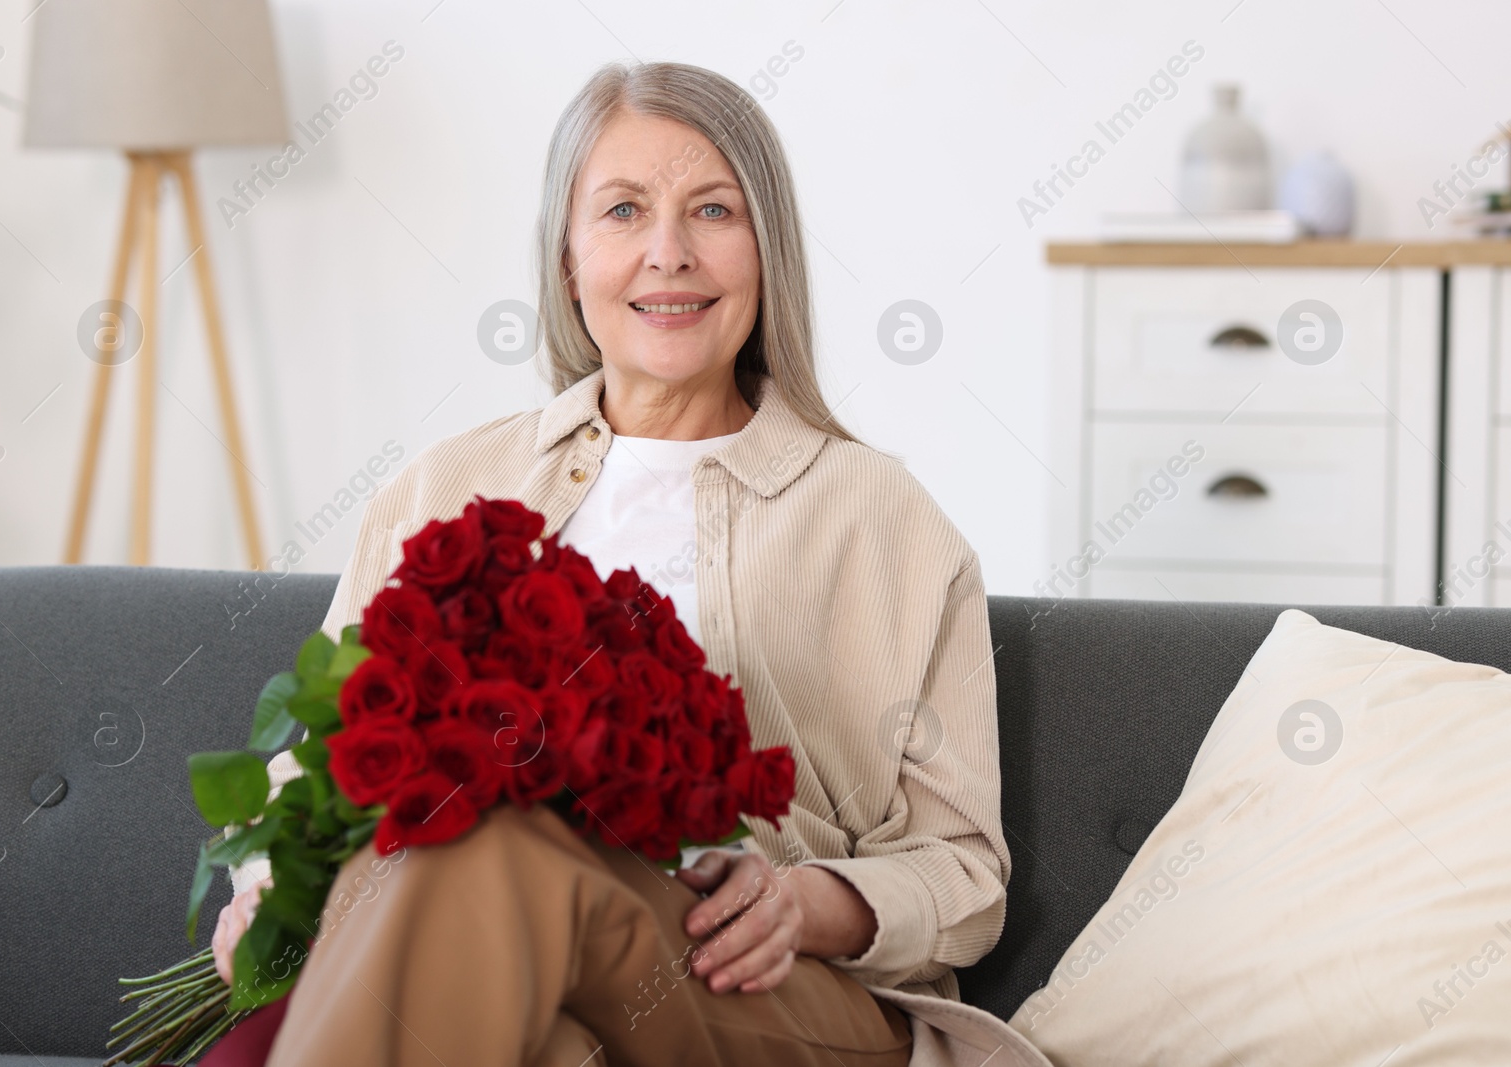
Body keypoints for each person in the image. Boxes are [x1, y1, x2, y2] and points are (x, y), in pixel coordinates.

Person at [206, 59, 1049, 1067]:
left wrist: (804, 903)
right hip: (515, 963)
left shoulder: (886, 521)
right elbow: (321, 754)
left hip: (770, 989)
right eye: (621, 210)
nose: (668, 252)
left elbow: (963, 871)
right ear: (567, 258)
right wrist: (269, 889)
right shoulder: (448, 485)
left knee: (485, 855)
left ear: (767, 251)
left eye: (712, 210)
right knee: (536, 1011)